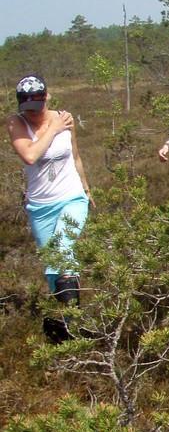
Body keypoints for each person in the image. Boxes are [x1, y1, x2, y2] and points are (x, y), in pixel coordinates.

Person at [7, 74, 92, 342]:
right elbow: (29, 155)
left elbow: (75, 155)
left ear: (47, 97)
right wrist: (53, 128)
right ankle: (63, 327)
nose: (33, 114)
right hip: (40, 206)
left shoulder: (66, 119)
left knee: (63, 251)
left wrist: (87, 189)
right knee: (54, 269)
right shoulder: (16, 123)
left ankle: (72, 329)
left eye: (38, 107)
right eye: (27, 109)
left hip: (71, 197)